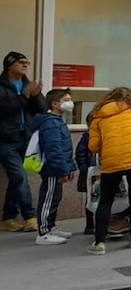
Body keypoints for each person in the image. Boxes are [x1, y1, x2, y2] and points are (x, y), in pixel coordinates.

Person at [86, 86, 131, 256]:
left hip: (112, 159)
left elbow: (93, 146)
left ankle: (99, 243)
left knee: (105, 201)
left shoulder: (99, 115)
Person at [0, 50, 44, 232]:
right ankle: (30, 216)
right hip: (5, 139)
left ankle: (8, 218)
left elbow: (41, 109)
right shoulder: (2, 86)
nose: (26, 65)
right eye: (21, 62)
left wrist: (35, 96)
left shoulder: (27, 85)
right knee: (19, 176)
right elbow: (3, 109)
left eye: (27, 62)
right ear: (10, 65)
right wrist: (24, 96)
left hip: (26, 137)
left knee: (17, 179)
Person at [33, 88, 77, 245]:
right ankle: (43, 233)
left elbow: (64, 148)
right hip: (52, 168)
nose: (69, 103)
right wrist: (62, 169)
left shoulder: (58, 121)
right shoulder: (50, 123)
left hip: (58, 167)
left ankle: (51, 227)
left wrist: (69, 167)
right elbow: (54, 149)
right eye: (66, 100)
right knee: (48, 198)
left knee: (54, 198)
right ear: (55, 103)